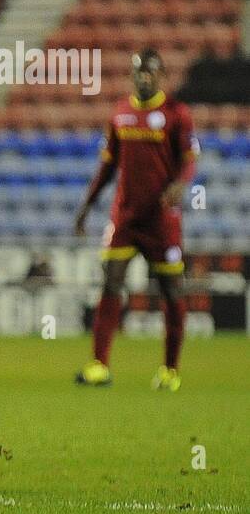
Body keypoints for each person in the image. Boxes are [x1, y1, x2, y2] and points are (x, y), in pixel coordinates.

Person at [73, 48, 197, 392]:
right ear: (132, 75)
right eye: (139, 72)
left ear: (161, 76)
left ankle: (170, 370)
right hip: (125, 215)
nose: (145, 77)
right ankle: (99, 365)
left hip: (161, 219)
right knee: (111, 282)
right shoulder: (120, 113)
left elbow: (189, 159)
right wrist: (86, 206)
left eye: (151, 72)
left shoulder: (176, 113)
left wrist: (180, 184)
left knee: (171, 291)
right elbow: (107, 166)